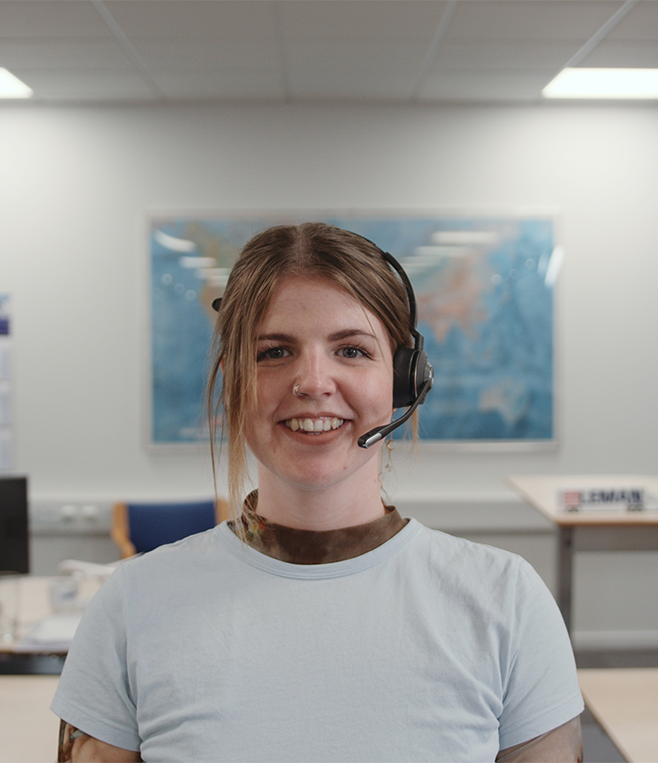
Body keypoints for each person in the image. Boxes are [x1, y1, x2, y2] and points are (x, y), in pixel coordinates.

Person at [51, 222, 584, 762]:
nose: (312, 382)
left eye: (351, 350)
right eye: (274, 352)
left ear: (404, 380)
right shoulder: (131, 606)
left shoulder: (505, 601)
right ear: (233, 381)